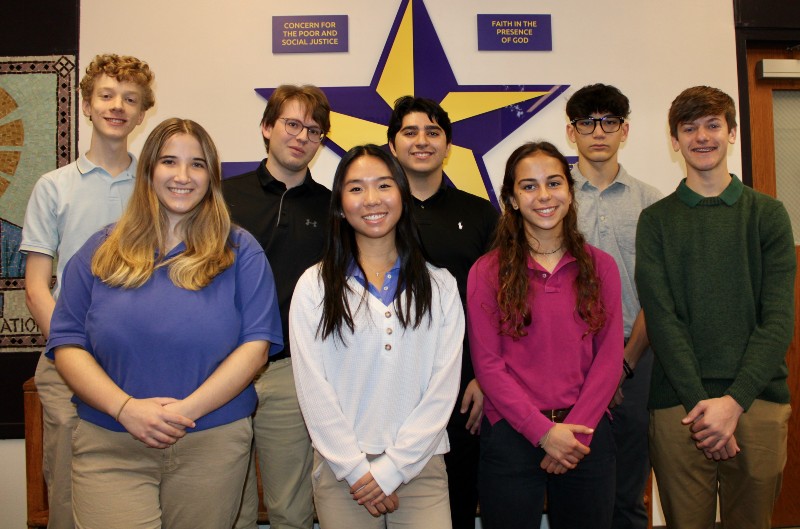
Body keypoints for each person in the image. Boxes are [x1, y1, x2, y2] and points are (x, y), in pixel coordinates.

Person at [45, 118, 282, 528]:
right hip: (110, 440)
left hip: (211, 442)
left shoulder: (241, 251)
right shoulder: (100, 250)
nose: (183, 176)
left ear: (212, 176)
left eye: (197, 164)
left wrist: (186, 412)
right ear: (149, 170)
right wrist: (126, 409)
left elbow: (256, 346)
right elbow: (67, 344)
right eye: (170, 161)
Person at [635, 86, 795, 529]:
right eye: (689, 128)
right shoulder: (657, 221)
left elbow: (778, 319)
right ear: (674, 140)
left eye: (712, 125)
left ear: (732, 133)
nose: (701, 137)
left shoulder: (768, 215)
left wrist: (733, 402)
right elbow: (663, 321)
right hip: (678, 405)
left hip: (756, 400)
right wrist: (703, 403)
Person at [290, 144, 464, 528]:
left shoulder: (440, 286)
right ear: (338, 204)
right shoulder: (314, 286)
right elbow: (312, 390)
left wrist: (392, 470)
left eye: (384, 185)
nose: (371, 199)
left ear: (402, 193)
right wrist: (356, 470)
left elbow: (442, 389)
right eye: (355, 188)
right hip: (342, 473)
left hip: (421, 466)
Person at [20, 53, 155, 529]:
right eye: (106, 95)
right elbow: (37, 288)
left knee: (141, 486)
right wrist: (76, 352)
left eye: (130, 99)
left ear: (143, 114)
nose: (117, 106)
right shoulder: (53, 188)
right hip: (67, 362)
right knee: (68, 491)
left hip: (142, 363)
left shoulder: (157, 186)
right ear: (87, 104)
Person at [468, 141, 623, 529]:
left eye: (554, 183)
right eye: (529, 186)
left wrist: (574, 435)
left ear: (570, 193)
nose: (543, 196)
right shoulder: (486, 272)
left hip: (585, 435)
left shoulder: (601, 267)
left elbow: (608, 360)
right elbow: (488, 366)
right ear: (512, 199)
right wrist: (543, 434)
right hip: (512, 434)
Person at [222, 84, 331, 529]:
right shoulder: (220, 196)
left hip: (290, 372)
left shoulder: (333, 208)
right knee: (229, 507)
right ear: (266, 127)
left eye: (314, 130)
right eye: (292, 124)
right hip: (219, 370)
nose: (302, 136)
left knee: (291, 508)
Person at [387, 95, 498, 529]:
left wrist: (483, 379)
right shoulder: (375, 212)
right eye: (410, 132)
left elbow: (497, 307)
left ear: (448, 145)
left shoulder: (479, 214)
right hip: (388, 390)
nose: (422, 141)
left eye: (433, 132)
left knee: (456, 503)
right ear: (392, 145)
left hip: (463, 391)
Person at [565, 84, 662, 529]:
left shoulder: (652, 203)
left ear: (625, 130)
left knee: (628, 491)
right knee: (576, 482)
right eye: (587, 122)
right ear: (572, 132)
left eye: (609, 121)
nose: (597, 131)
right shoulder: (553, 197)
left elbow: (658, 293)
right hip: (569, 358)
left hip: (637, 354)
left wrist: (623, 363)